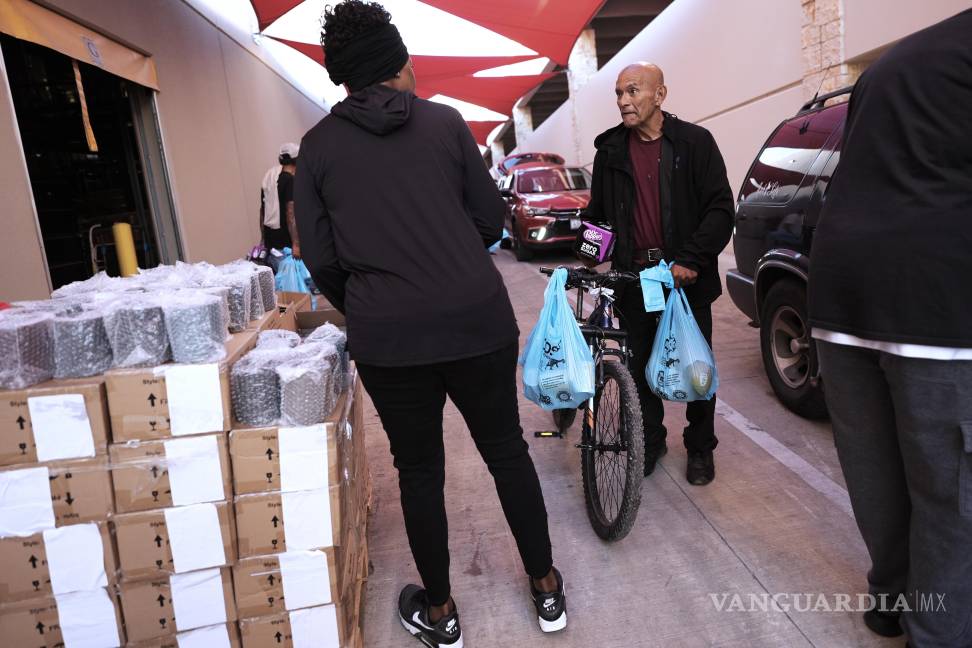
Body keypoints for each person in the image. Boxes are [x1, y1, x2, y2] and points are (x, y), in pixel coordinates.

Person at [294, 2, 564, 645]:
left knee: (418, 472)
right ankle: (547, 590)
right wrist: (450, 259)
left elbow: (321, 260)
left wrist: (369, 293)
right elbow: (491, 221)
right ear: (397, 65)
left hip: (390, 337)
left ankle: (441, 615)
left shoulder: (318, 148)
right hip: (476, 319)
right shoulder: (446, 126)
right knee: (506, 452)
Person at [808, 10, 972, 647]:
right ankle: (937, 634)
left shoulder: (896, 61)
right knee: (951, 491)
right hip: (933, 300)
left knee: (875, 468)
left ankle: (891, 599)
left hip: (841, 290)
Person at [583, 62, 733, 485]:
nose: (623, 101)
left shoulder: (695, 143)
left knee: (695, 370)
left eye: (633, 91)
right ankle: (651, 439)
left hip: (684, 280)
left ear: (660, 95)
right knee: (638, 368)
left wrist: (691, 259)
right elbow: (599, 218)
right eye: (618, 93)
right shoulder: (610, 150)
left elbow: (721, 210)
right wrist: (588, 257)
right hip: (635, 280)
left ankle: (700, 448)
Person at [259, 142, 300, 257]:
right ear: (296, 160)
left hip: (270, 240)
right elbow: (290, 214)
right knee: (294, 274)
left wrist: (263, 239)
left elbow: (262, 211)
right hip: (286, 243)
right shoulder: (290, 181)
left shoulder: (269, 179)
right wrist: (296, 244)